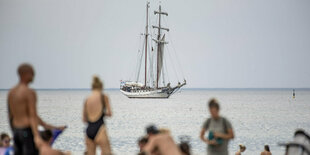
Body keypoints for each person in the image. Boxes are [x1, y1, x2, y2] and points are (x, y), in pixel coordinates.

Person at [7, 63, 66, 155]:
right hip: (26, 130)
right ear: (25, 74)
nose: (34, 75)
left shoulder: (11, 92)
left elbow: (11, 115)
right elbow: (32, 115)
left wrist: (49, 126)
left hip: (16, 131)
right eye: (32, 73)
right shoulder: (29, 92)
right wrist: (36, 136)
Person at [83, 76, 112, 155]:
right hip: (100, 128)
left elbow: (84, 119)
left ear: (92, 87)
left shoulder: (87, 99)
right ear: (101, 87)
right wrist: (101, 113)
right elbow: (110, 113)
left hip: (89, 130)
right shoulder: (104, 97)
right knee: (107, 153)